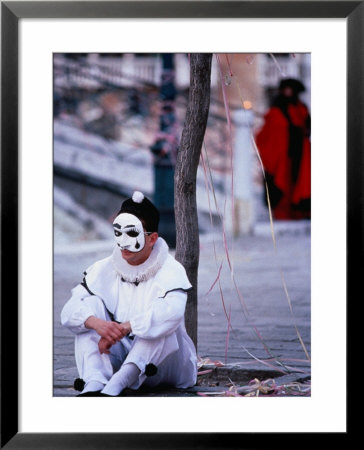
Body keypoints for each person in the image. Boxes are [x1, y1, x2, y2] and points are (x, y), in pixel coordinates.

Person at [61, 191, 197, 396]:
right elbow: (68, 312)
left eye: (132, 234)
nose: (124, 242)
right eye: (118, 232)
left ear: (152, 239)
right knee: (90, 308)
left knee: (160, 323)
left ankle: (120, 380)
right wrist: (99, 325)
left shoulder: (171, 270)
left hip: (164, 367)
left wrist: (125, 328)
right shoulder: (104, 268)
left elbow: (173, 312)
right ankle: (95, 379)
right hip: (118, 353)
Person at [255, 78, 311, 220]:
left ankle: (299, 211)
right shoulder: (276, 110)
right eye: (286, 89)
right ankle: (283, 212)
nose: (288, 92)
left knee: (301, 181)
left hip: (301, 151)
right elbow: (268, 133)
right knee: (283, 180)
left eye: (291, 90)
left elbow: (307, 126)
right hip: (283, 154)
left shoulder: (301, 107)